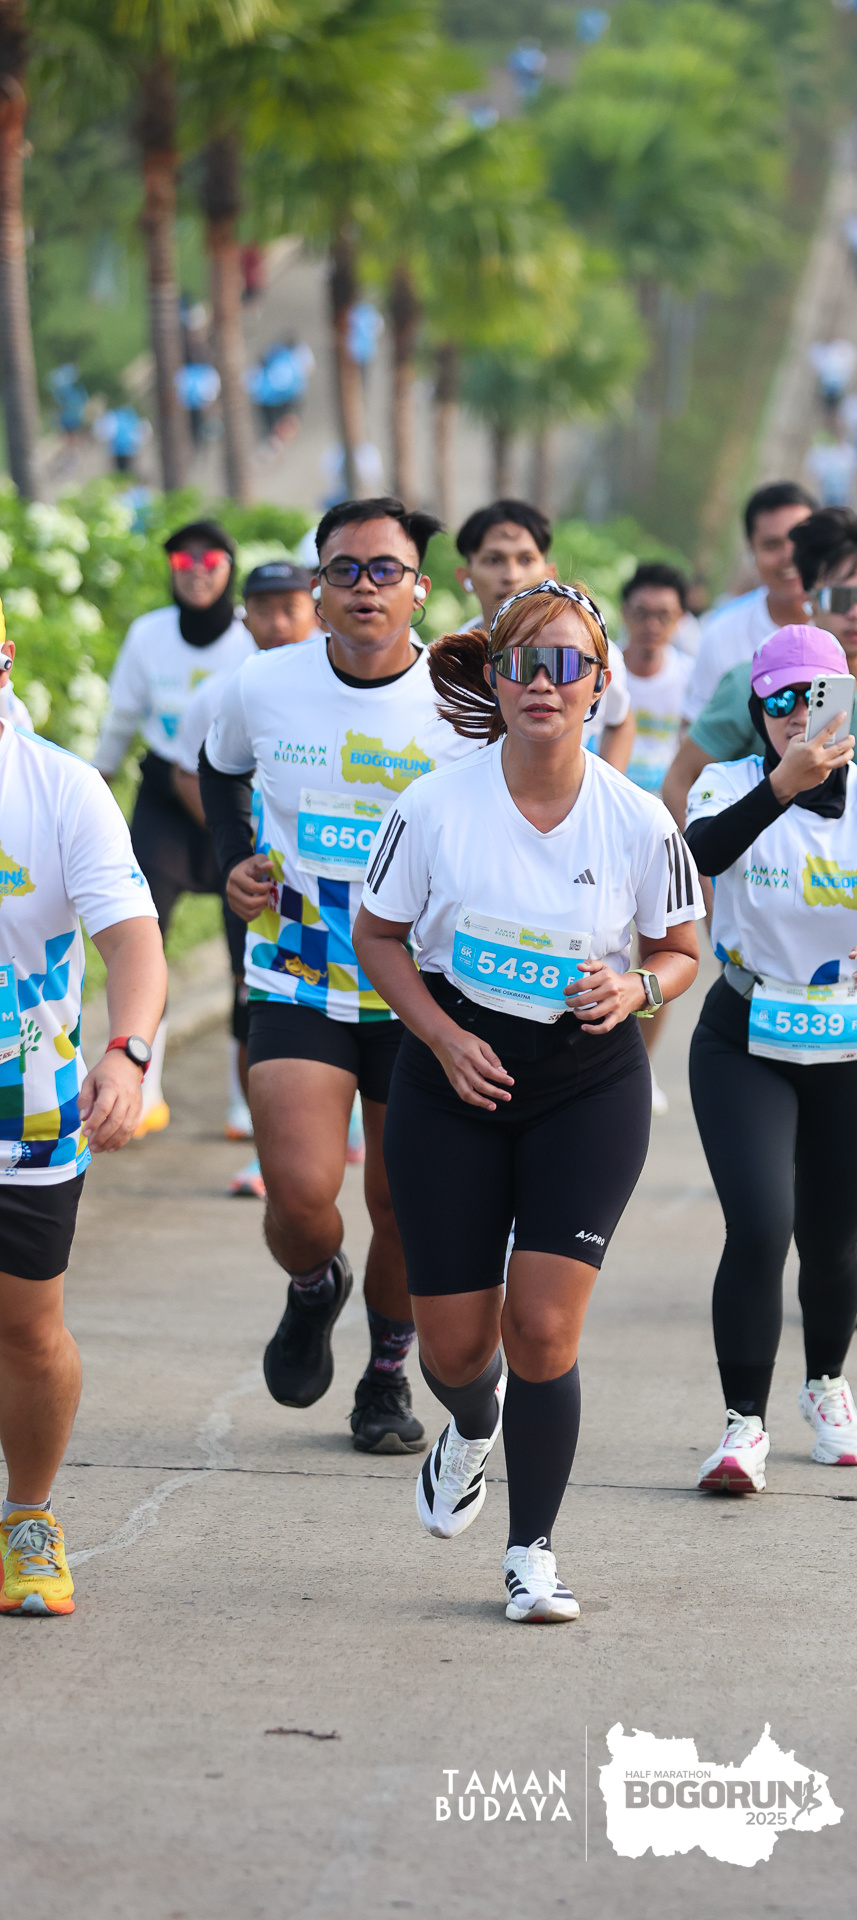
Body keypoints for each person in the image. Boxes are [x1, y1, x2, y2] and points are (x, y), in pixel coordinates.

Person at [352, 579, 702, 1622]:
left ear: (600, 684)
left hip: (585, 1085)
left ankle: (530, 1553)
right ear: (496, 679)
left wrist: (638, 989)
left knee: (543, 1329)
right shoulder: (431, 806)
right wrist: (440, 1034)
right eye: (521, 664)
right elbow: (377, 936)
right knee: (458, 1352)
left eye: (564, 666)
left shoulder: (637, 819)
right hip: (453, 1079)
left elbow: (682, 949)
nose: (542, 684)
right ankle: (471, 1426)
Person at [199, 497, 474, 1455]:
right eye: (345, 569)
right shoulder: (263, 684)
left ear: (419, 589)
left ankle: (386, 1376)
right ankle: (315, 1285)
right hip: (298, 971)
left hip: (421, 988)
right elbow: (219, 769)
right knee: (300, 1193)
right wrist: (232, 860)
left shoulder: (461, 701)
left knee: (401, 1206)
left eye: (384, 569)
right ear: (318, 587)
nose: (365, 586)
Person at [682, 627, 857, 1491]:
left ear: (846, 704)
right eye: (778, 700)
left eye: (816, 697)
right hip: (745, 1033)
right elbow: (700, 855)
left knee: (830, 1238)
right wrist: (783, 785)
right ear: (758, 711)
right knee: (759, 1225)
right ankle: (742, 1426)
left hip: (853, 1034)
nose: (797, 714)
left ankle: (826, 1386)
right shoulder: (725, 784)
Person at [0, 618, 167, 1615]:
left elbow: (135, 941)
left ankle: (27, 1516)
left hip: (24, 1110)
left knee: (25, 1330)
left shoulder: (59, 789)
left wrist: (128, 1051)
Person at [93, 520, 255, 1135]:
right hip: (166, 794)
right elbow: (122, 715)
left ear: (228, 568)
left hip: (235, 796)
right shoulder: (149, 634)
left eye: (210, 559)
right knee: (144, 931)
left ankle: (244, 1102)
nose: (196, 571)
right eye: (183, 561)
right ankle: (143, 1090)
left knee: (247, 949)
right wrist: (95, 783)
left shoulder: (249, 639)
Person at [664, 510, 857, 853]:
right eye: (841, 599)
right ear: (810, 600)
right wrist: (698, 875)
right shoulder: (753, 686)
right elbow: (681, 778)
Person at [173, 559, 318, 1182]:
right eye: (265, 610)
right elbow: (193, 771)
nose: (279, 622)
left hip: (345, 891)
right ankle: (268, 1150)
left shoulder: (345, 687)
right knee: (255, 1001)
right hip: (262, 888)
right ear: (244, 618)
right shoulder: (225, 692)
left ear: (316, 609)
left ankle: (350, 1126)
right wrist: (234, 846)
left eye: (291, 608)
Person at [454, 498, 635, 772]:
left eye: (526, 559)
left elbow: (620, 721)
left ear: (550, 572)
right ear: (465, 576)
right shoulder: (444, 662)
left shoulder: (594, 656)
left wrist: (605, 787)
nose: (512, 575)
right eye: (494, 560)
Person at [617, 562, 695, 1118]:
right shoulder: (599, 671)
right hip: (607, 831)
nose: (651, 625)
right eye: (642, 613)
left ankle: (639, 1066)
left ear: (680, 618)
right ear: (626, 613)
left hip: (666, 836)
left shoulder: (688, 679)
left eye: (663, 615)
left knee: (659, 954)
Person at [679, 482, 816, 726]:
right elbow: (693, 729)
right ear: (751, 550)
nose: (790, 556)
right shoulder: (721, 634)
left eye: (801, 540)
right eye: (772, 545)